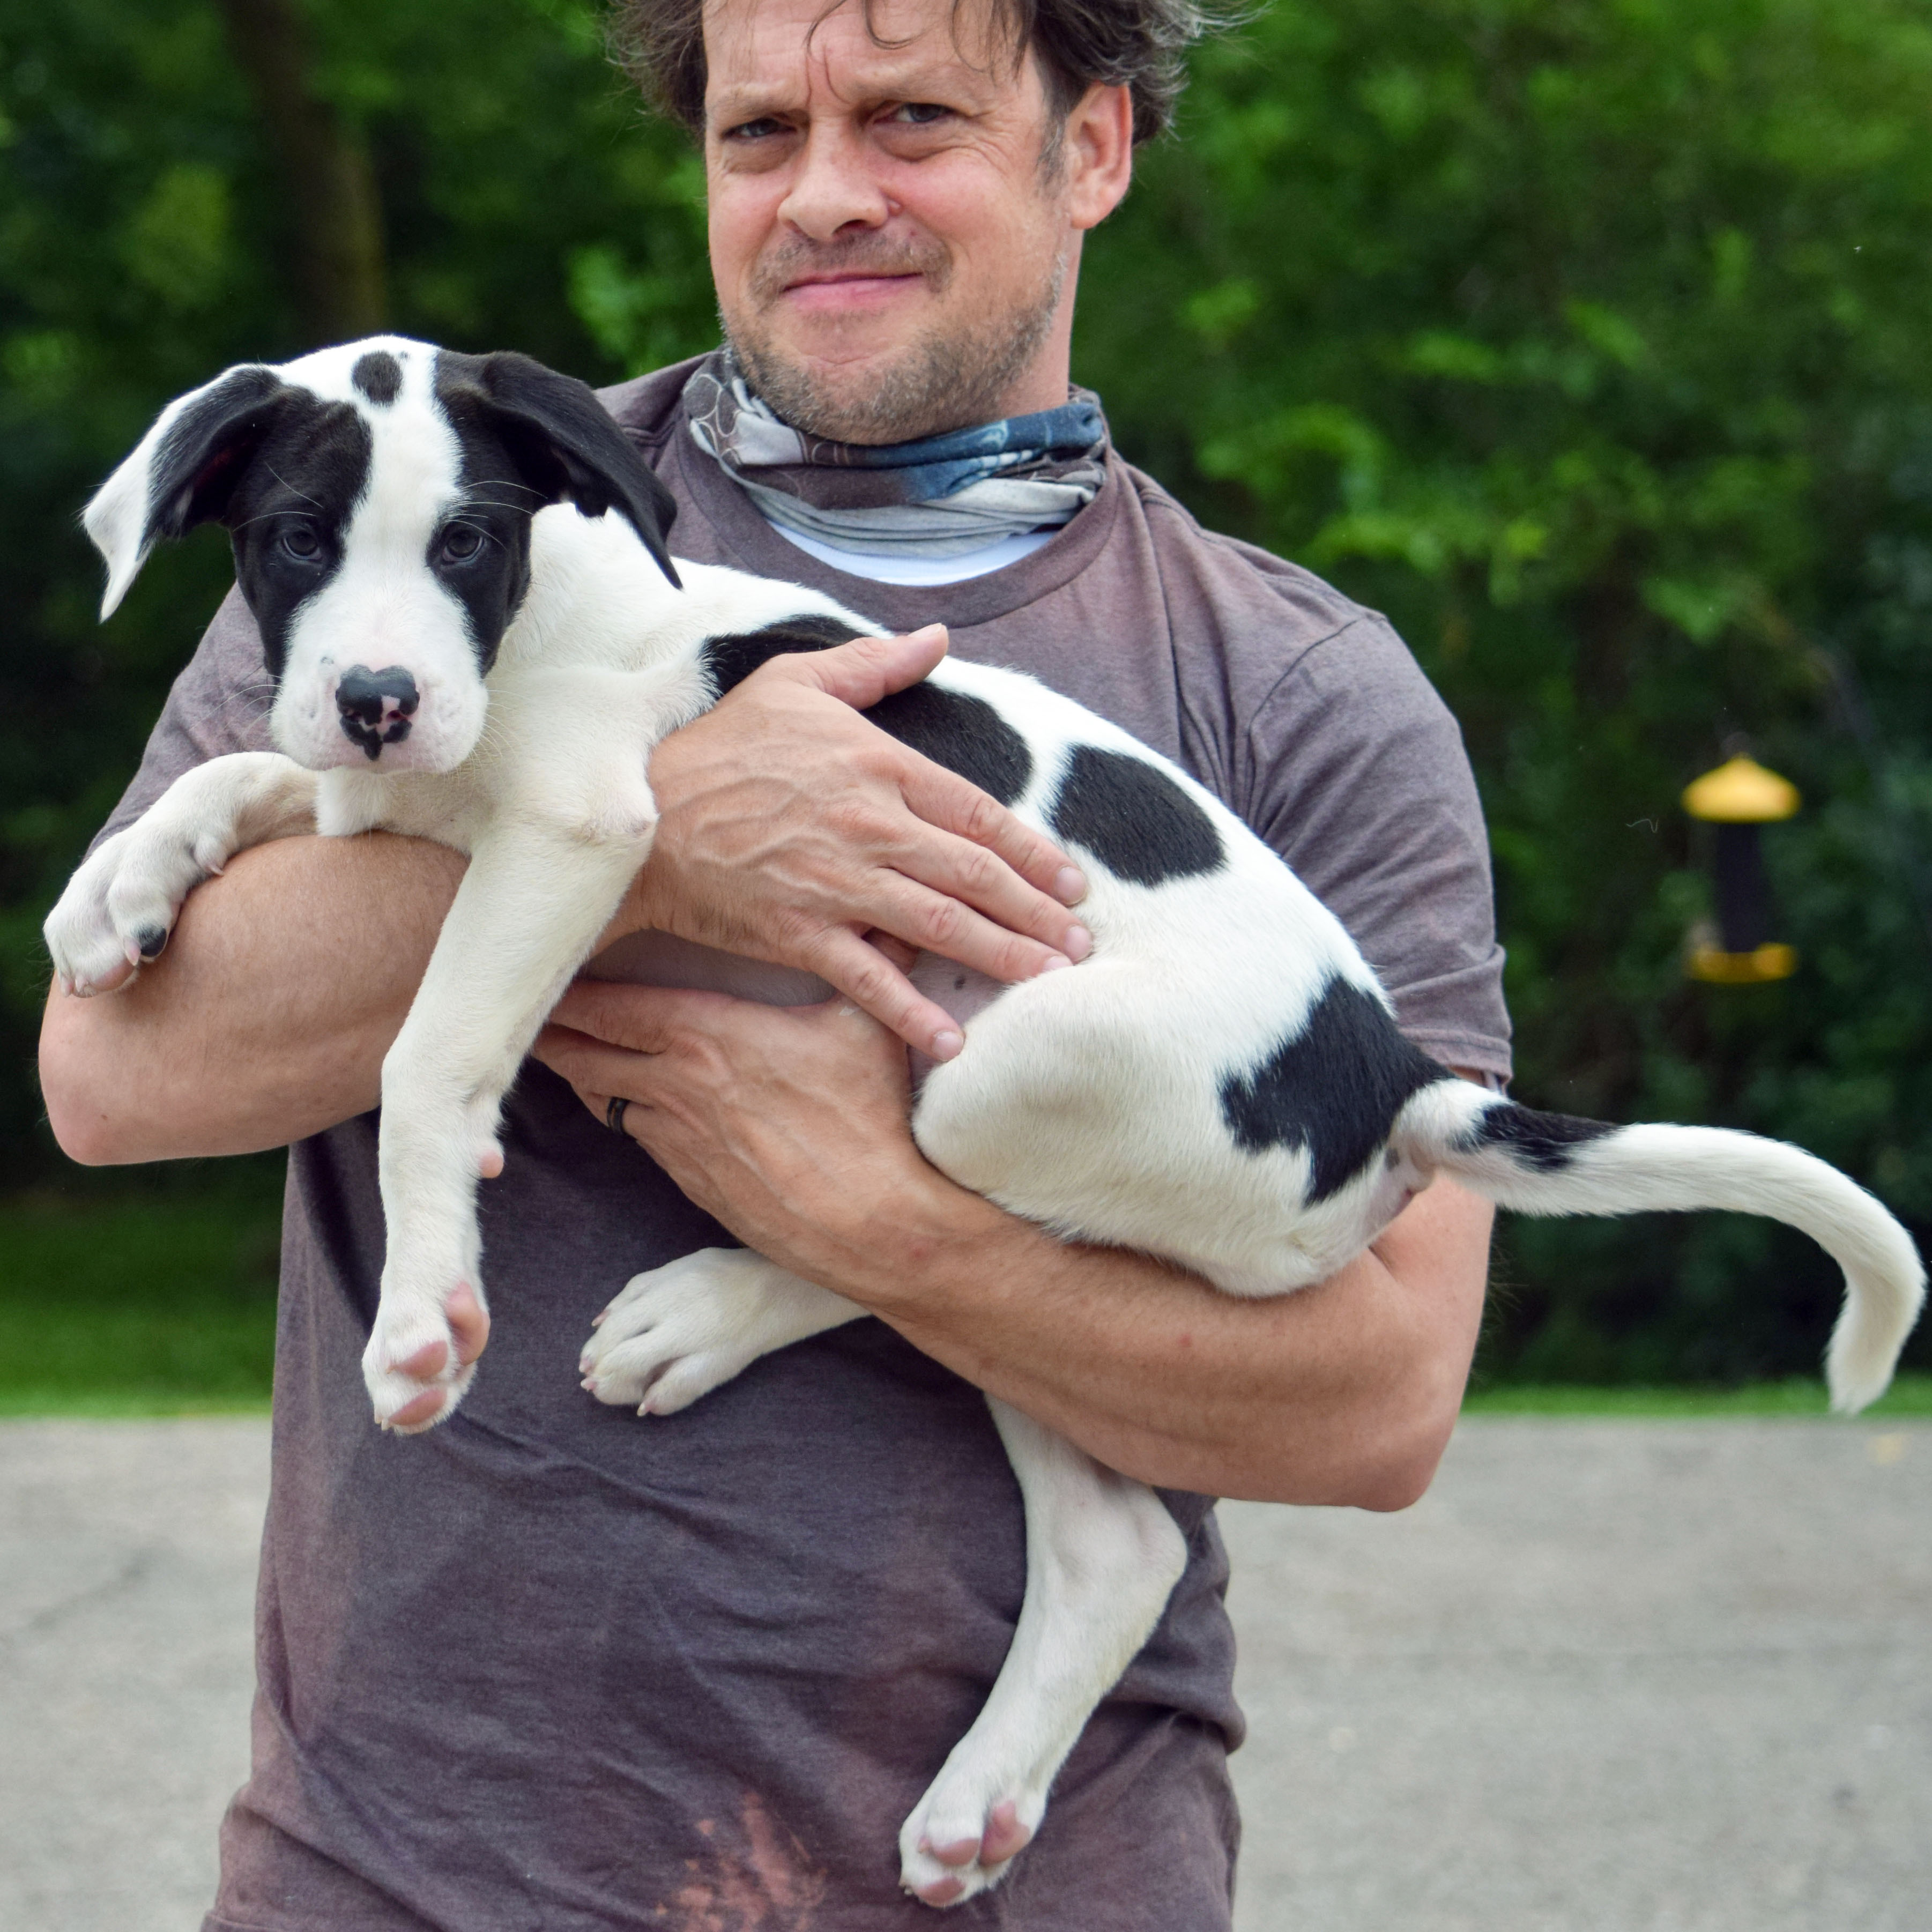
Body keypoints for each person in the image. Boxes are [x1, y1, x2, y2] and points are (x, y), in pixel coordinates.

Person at [38, 0, 1510, 1922]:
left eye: (909, 117)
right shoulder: (422, 497)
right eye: (757, 134)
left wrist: (871, 1222)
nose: (824, 194)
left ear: (1095, 148)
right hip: (407, 1869)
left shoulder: (1297, 688)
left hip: (1043, 1886)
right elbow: (116, 1080)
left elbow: (1378, 1402)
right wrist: (671, 847)